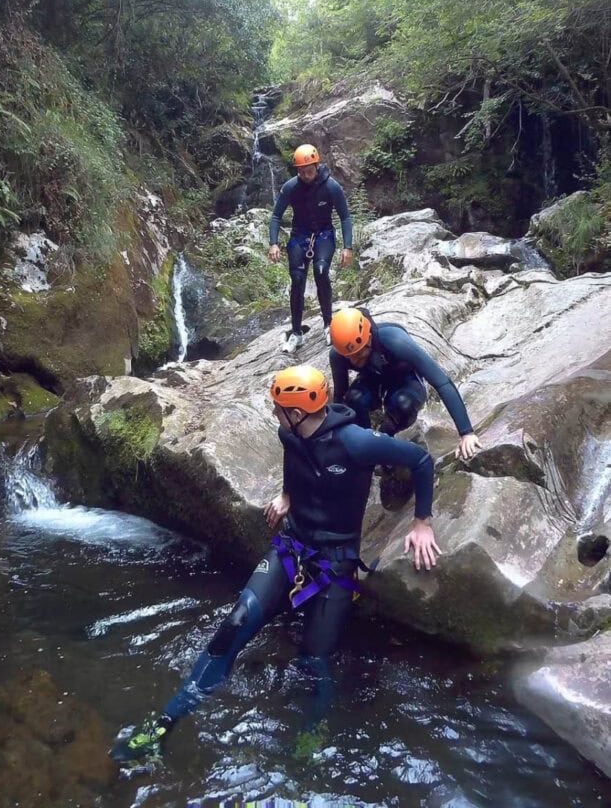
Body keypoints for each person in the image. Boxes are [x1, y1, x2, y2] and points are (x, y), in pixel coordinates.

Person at [110, 364, 440, 768]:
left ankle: (308, 750)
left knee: (313, 664)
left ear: (297, 413)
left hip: (336, 564)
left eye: (278, 407)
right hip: (291, 549)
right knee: (236, 621)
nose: (273, 414)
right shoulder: (290, 433)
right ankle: (167, 720)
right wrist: (286, 496)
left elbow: (421, 461)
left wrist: (422, 522)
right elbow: (296, 462)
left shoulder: (355, 443)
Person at [329, 307, 482, 508]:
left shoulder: (394, 340)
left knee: (403, 404)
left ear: (368, 338)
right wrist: (336, 444)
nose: (353, 361)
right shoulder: (339, 354)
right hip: (372, 379)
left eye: (358, 354)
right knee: (354, 399)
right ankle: (369, 449)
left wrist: (466, 432)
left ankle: (386, 438)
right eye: (349, 357)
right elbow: (340, 399)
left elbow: (441, 382)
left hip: (405, 379)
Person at [269, 144, 353, 353]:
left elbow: (345, 217)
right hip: (299, 236)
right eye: (301, 171)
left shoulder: (331, 187)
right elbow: (276, 216)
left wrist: (347, 247)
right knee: (297, 280)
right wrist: (273, 243)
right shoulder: (290, 187)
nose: (306, 175)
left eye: (309, 170)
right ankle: (297, 333)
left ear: (316, 166)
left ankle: (328, 324)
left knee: (321, 272)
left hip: (324, 234)